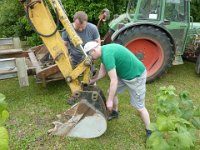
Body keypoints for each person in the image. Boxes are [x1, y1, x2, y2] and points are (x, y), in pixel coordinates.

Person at [83, 41, 152, 139]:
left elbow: (114, 80)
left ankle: (150, 130)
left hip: (136, 76)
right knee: (110, 92)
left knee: (140, 107)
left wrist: (109, 101)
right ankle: (115, 112)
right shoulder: (104, 51)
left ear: (93, 50)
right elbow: (102, 73)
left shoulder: (107, 55)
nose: (91, 58)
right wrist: (92, 81)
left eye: (90, 55)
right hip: (124, 75)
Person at [62, 11, 100, 105]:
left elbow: (98, 43)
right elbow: (65, 46)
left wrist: (94, 57)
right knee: (73, 78)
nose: (81, 29)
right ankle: (75, 94)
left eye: (83, 26)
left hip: (89, 58)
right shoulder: (67, 30)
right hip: (74, 57)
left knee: (91, 78)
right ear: (74, 21)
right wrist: (66, 58)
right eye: (78, 26)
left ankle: (94, 96)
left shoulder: (93, 28)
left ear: (86, 22)